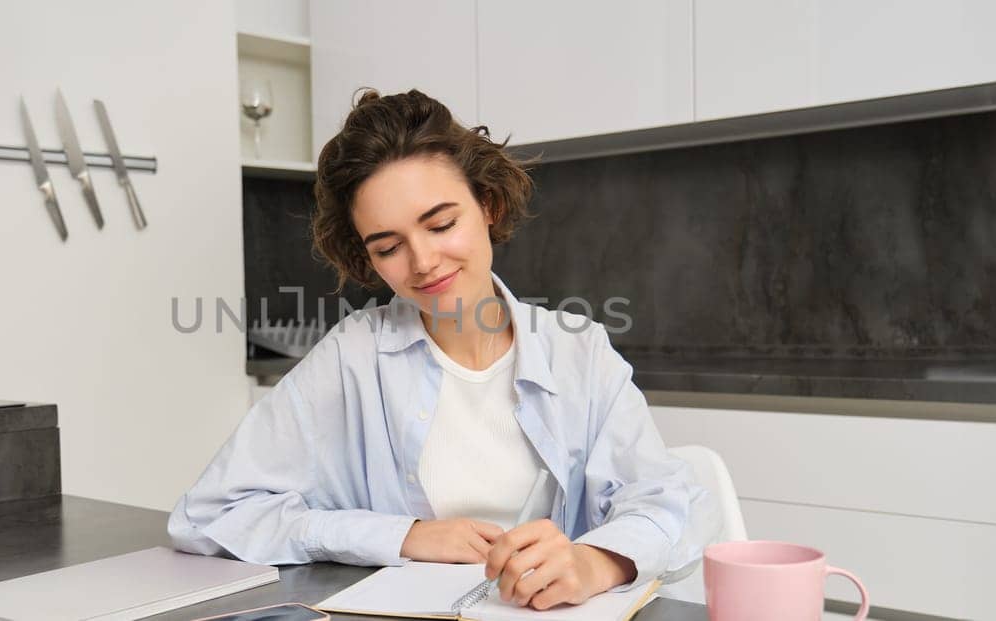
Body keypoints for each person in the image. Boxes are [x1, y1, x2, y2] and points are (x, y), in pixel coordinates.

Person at [169, 88, 715, 610]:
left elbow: (670, 506)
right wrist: (401, 536)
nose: (423, 261)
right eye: (388, 247)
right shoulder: (351, 358)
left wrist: (595, 563)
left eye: (442, 224)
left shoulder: (580, 352)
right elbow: (208, 515)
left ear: (489, 206)